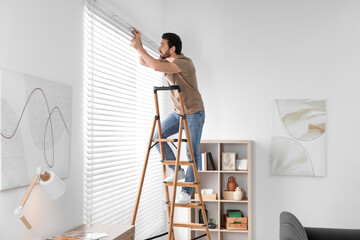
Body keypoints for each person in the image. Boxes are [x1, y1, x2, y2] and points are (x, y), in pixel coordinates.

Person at [130, 29, 205, 204]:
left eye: (162, 44)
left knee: (191, 152)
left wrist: (141, 47)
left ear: (172, 48)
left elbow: (155, 65)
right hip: (178, 113)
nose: (159, 47)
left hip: (194, 113)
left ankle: (186, 192)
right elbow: (143, 61)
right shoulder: (166, 61)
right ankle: (176, 169)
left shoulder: (185, 62)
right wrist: (138, 44)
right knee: (157, 137)